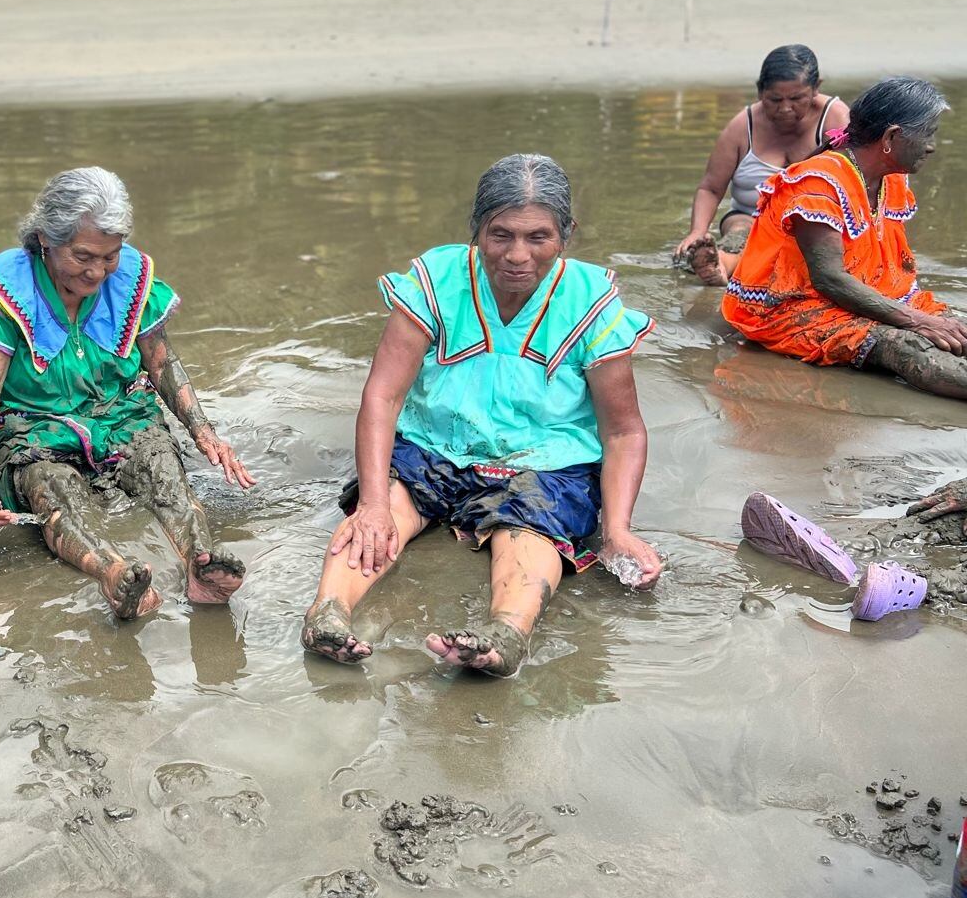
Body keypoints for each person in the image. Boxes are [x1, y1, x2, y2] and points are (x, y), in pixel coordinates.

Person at [301, 153, 663, 676]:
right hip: (435, 443)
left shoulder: (590, 301)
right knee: (385, 514)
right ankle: (326, 614)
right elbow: (383, 397)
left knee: (531, 527)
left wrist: (619, 529)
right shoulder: (438, 280)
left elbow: (624, 431)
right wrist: (374, 503)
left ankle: (504, 637)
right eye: (501, 235)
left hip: (546, 461)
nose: (518, 255)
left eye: (538, 237)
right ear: (476, 231)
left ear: (566, 235)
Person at [0, 166, 254, 620]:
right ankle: (112, 573)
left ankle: (200, 564)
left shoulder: (129, 280)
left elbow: (161, 361)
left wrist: (203, 431)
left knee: (163, 472)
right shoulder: (7, 295)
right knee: (54, 488)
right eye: (84, 256)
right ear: (46, 240)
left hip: (119, 415)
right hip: (33, 427)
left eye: (110, 256)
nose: (98, 271)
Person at [721, 77, 966, 395]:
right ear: (891, 137)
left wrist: (922, 318)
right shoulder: (819, 182)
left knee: (958, 326)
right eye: (928, 134)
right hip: (788, 309)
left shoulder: (891, 178)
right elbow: (829, 279)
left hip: (856, 296)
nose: (932, 146)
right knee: (906, 346)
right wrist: (915, 321)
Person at [675, 45, 848, 286]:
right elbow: (711, 188)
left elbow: (859, 182)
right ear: (759, 92)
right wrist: (697, 231)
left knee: (813, 248)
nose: (785, 107)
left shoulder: (836, 119)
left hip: (814, 223)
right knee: (739, 231)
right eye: (775, 99)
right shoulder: (741, 126)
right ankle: (718, 263)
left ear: (816, 88)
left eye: (797, 98)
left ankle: (730, 266)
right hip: (751, 218)